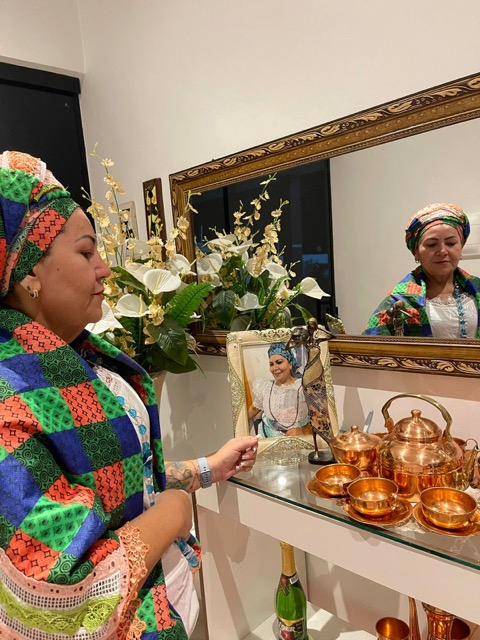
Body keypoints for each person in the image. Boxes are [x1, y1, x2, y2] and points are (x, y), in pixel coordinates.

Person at [0, 150, 258, 639]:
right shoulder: (10, 395)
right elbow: (62, 596)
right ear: (30, 272)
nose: (104, 269)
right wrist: (176, 513)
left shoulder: (81, 356)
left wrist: (205, 469)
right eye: (85, 252)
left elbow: (116, 489)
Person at [363, 202, 480, 338]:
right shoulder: (399, 301)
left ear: (461, 246)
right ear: (416, 252)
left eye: (451, 243)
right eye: (431, 244)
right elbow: (370, 347)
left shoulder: (476, 289)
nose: (442, 251)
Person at [247, 342, 310, 438]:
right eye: (271, 364)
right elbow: (254, 408)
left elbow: (319, 417)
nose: (275, 368)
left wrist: (303, 431)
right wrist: (239, 426)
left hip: (299, 440)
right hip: (268, 439)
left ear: (290, 364)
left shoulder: (304, 386)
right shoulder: (266, 387)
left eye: (279, 362)